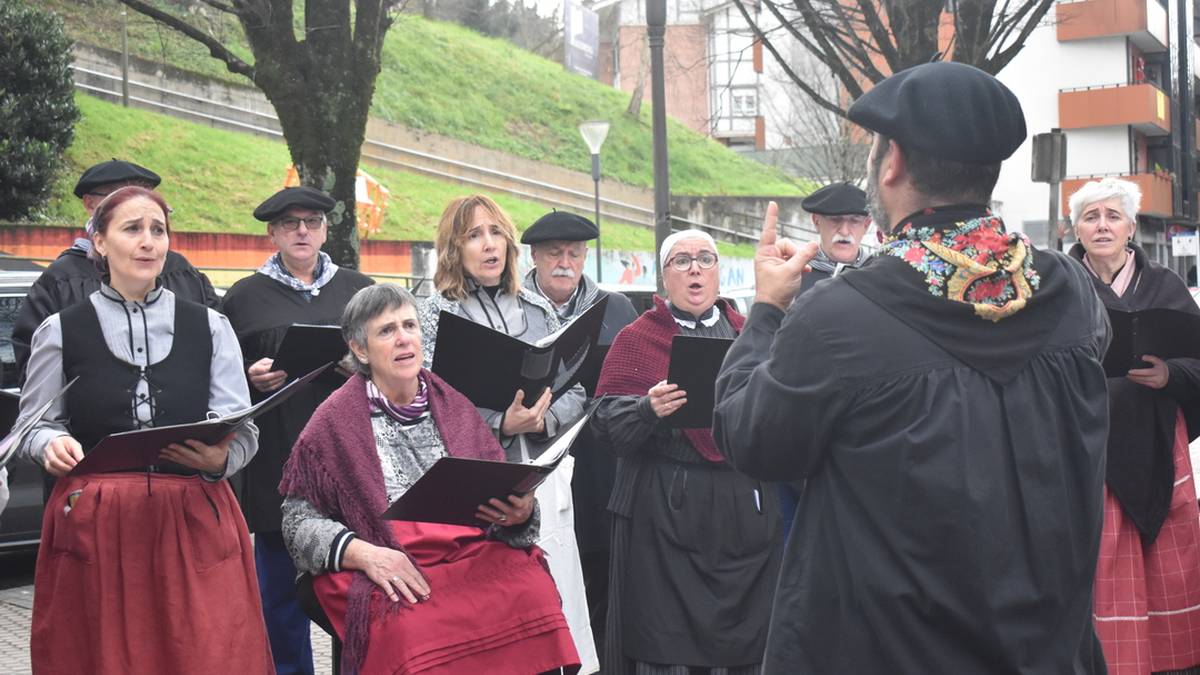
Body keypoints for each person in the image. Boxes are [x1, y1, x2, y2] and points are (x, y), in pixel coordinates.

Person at [712, 61, 1111, 673]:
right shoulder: (1069, 290)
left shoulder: (840, 314)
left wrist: (766, 311)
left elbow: (755, 440)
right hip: (1047, 650)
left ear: (892, 161)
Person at [14, 186, 272, 673]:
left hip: (193, 514)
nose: (149, 241)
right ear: (100, 243)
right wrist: (51, 443)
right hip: (98, 522)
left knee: (206, 653)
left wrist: (222, 458)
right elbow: (34, 425)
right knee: (104, 657)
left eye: (158, 230)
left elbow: (244, 428)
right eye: (132, 229)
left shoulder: (212, 327)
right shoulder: (60, 330)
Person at [279, 283, 579, 675]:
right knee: (407, 623)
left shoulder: (453, 404)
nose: (404, 338)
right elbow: (296, 522)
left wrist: (519, 513)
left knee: (530, 589)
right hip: (384, 553)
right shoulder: (333, 421)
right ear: (360, 349)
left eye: (409, 325)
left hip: (463, 549)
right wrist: (365, 554)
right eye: (386, 330)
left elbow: (497, 495)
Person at [418, 195, 597, 672]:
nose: (489, 245)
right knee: (489, 616)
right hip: (474, 484)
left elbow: (576, 389)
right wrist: (500, 422)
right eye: (474, 235)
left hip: (538, 475)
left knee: (549, 603)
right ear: (454, 247)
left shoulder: (538, 309)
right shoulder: (434, 315)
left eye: (496, 233)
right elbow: (429, 404)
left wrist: (544, 418)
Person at [591, 229, 781, 675]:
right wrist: (646, 409)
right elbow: (602, 423)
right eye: (681, 261)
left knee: (748, 643)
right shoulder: (637, 339)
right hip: (662, 516)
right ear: (664, 278)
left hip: (742, 516)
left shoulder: (750, 335)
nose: (695, 268)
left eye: (705, 259)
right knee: (665, 645)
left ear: (719, 273)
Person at [221, 186, 375, 675]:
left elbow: (400, 360)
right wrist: (248, 376)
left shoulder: (360, 290)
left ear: (327, 229)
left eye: (311, 221)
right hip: (278, 465)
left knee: (359, 594)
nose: (302, 231)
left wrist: (364, 366)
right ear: (273, 233)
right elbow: (219, 380)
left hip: (354, 459)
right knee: (281, 602)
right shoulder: (243, 299)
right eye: (291, 224)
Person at [1067, 177, 1200, 675]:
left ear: (1131, 227)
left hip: (1157, 437)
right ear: (1075, 228)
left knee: (1171, 555)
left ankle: (1173, 660)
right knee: (1104, 557)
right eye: (1090, 216)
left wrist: (1173, 373)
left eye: (1112, 215)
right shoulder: (1059, 285)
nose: (1102, 225)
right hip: (1085, 443)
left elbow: (1198, 358)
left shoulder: (1165, 285)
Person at [520, 209, 638, 660]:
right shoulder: (514, 308)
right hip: (537, 454)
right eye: (554, 254)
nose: (565, 262)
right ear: (535, 256)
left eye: (574, 253)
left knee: (601, 559)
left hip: (600, 457)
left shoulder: (616, 307)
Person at [12, 159, 218, 384]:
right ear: (90, 204)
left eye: (140, 193)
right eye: (118, 195)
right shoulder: (60, 280)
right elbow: (35, 374)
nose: (132, 202)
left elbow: (219, 352)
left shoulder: (182, 272)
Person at [778, 181, 872, 536]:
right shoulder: (792, 277)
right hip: (802, 436)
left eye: (854, 221)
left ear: (868, 226)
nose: (845, 231)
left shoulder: (883, 277)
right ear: (816, 222)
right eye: (836, 221)